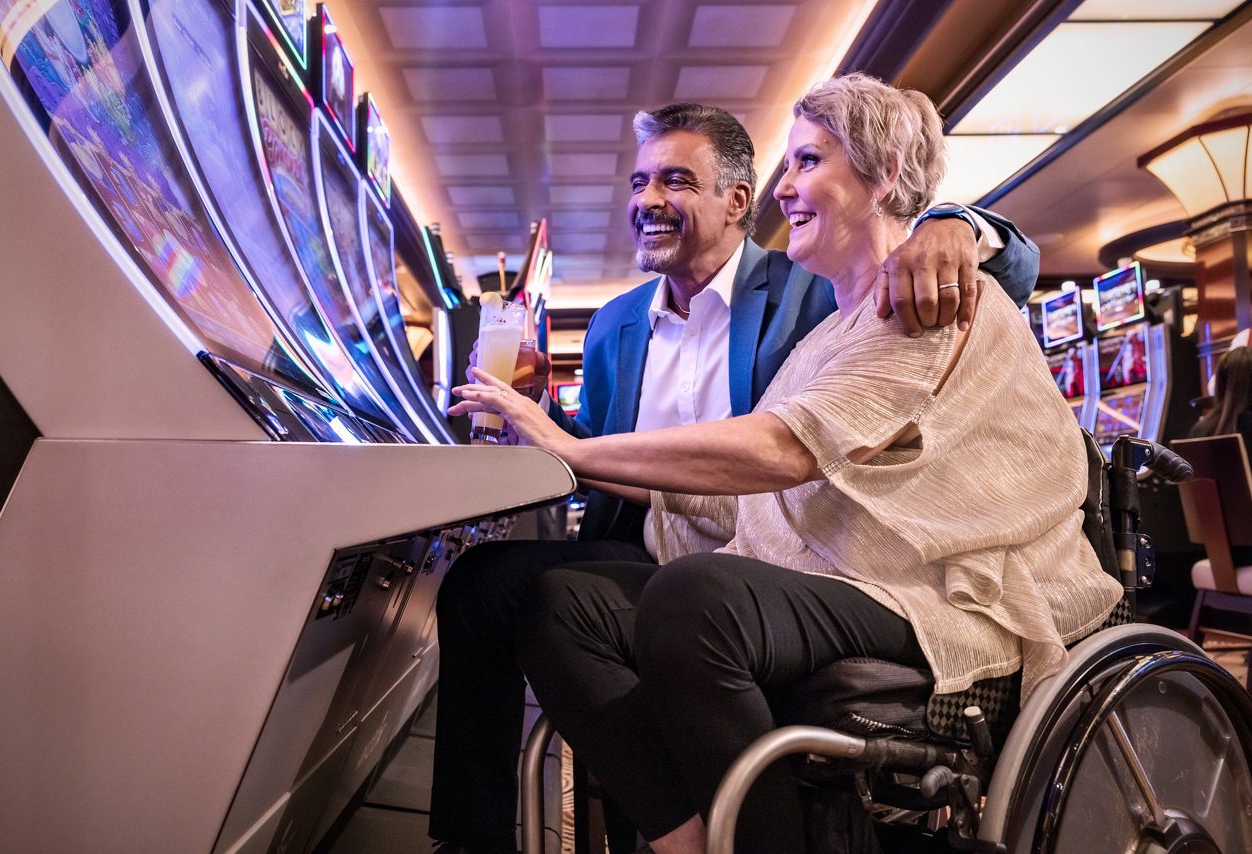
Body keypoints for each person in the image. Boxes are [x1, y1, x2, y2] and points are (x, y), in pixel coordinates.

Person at [450, 74, 1120, 854]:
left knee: (696, 593)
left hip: (927, 585)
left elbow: (784, 446)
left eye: (807, 161)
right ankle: (691, 839)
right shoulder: (814, 333)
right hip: (799, 569)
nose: (785, 187)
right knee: (561, 599)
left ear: (886, 172)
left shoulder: (926, 297)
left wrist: (958, 224)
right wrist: (552, 439)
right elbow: (736, 501)